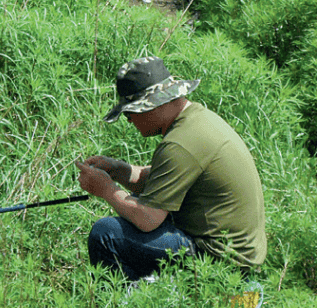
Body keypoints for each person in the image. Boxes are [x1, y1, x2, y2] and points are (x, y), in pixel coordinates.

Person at [75, 56, 266, 281]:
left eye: (130, 113)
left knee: (106, 234)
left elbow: (147, 219)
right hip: (239, 256)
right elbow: (160, 179)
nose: (129, 121)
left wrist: (105, 189)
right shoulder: (197, 120)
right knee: (136, 201)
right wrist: (119, 170)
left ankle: (126, 307)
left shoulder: (179, 143)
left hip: (220, 262)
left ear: (154, 104)